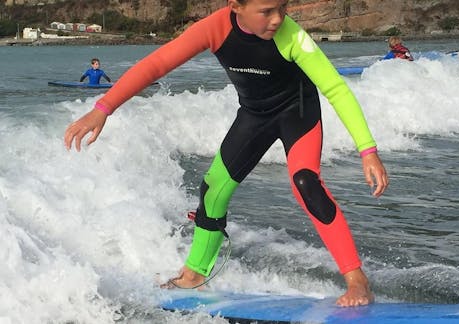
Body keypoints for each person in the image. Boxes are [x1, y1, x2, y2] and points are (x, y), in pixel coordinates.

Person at [64, 0, 388, 307]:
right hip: (255, 115)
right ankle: (194, 275)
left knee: (305, 182)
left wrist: (367, 150)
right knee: (214, 188)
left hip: (297, 113)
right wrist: (103, 108)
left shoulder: (293, 36)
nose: (278, 18)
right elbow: (158, 63)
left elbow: (336, 88)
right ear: (236, 7)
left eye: (284, 7)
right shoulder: (214, 28)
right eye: (267, 11)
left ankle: (357, 280)